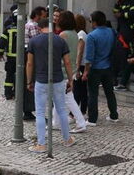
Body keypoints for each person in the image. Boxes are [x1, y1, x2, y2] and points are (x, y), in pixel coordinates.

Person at [25, 17, 75, 152]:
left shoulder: (34, 41)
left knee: (40, 112)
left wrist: (29, 81)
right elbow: (67, 62)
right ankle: (67, 139)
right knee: (61, 110)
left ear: (39, 28)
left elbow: (30, 63)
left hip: (41, 80)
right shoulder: (60, 41)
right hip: (58, 79)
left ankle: (41, 144)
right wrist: (70, 80)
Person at [82, 10, 120, 124]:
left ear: (94, 22)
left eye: (90, 21)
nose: (90, 23)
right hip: (108, 66)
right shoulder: (112, 32)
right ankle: (114, 115)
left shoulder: (92, 36)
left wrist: (86, 71)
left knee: (93, 94)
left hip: (95, 68)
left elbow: (89, 57)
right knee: (110, 92)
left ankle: (92, 119)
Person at [53, 10, 87, 134]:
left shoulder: (63, 34)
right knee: (59, 96)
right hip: (70, 68)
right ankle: (56, 122)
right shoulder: (74, 34)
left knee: (67, 98)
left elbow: (57, 53)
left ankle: (80, 123)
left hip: (62, 69)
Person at [112, 0, 134, 83]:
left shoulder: (132, 2)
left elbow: (133, 14)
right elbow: (115, 12)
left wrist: (122, 15)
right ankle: (121, 71)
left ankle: (130, 69)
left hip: (130, 30)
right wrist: (117, 4)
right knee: (121, 51)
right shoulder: (120, 3)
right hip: (122, 30)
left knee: (130, 51)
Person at [0, 5, 19, 99]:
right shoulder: (25, 28)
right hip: (22, 57)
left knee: (9, 75)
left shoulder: (8, 29)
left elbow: (2, 42)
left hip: (11, 57)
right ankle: (18, 93)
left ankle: (8, 93)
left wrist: (0, 53)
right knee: (20, 75)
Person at [73, 13, 89, 115]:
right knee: (82, 90)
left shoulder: (80, 35)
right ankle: (82, 111)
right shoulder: (83, 34)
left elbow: (80, 52)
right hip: (83, 65)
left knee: (78, 90)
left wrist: (77, 69)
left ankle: (76, 112)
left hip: (81, 65)